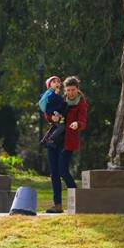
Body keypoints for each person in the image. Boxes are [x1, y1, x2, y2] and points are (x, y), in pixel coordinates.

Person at [44, 75, 88, 213]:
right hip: (54, 139)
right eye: (68, 90)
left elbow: (83, 121)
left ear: (77, 89)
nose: (70, 93)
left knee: (63, 171)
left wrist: (77, 124)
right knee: (54, 173)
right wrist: (52, 117)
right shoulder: (61, 99)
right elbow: (48, 112)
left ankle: (79, 201)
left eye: (73, 90)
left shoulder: (81, 103)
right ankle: (57, 205)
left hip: (68, 140)